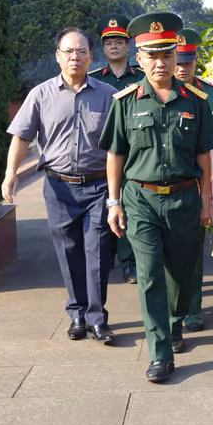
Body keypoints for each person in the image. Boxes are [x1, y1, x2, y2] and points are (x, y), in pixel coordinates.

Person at [99, 12, 213, 383]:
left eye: (166, 54)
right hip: (141, 199)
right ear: (139, 58)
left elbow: (205, 153)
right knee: (150, 274)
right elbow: (115, 154)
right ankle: (160, 352)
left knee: (181, 275)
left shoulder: (196, 101)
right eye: (151, 55)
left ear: (175, 56)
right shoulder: (125, 101)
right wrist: (114, 201)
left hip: (185, 199)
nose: (160, 62)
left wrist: (207, 199)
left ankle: (175, 320)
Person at [2, 28, 117, 343]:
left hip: (98, 187)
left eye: (81, 51)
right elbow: (22, 136)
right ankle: (77, 314)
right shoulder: (40, 94)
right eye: (69, 51)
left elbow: (120, 146)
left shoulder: (108, 95)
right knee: (68, 252)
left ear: (91, 57)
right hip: (59, 188)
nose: (75, 57)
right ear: (58, 56)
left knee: (97, 252)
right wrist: (11, 172)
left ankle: (97, 319)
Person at [89, 14, 144, 284]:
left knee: (130, 208)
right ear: (103, 48)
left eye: (119, 41)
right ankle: (106, 256)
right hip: (103, 156)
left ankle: (129, 262)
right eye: (108, 41)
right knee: (104, 208)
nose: (113, 46)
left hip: (136, 155)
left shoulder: (143, 77)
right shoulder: (93, 80)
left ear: (128, 46)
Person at [173, 27, 213, 333]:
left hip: (196, 178)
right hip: (163, 178)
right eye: (176, 61)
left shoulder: (207, 93)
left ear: (195, 60)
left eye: (186, 61)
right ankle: (172, 308)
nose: (180, 68)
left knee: (194, 250)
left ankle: (193, 309)